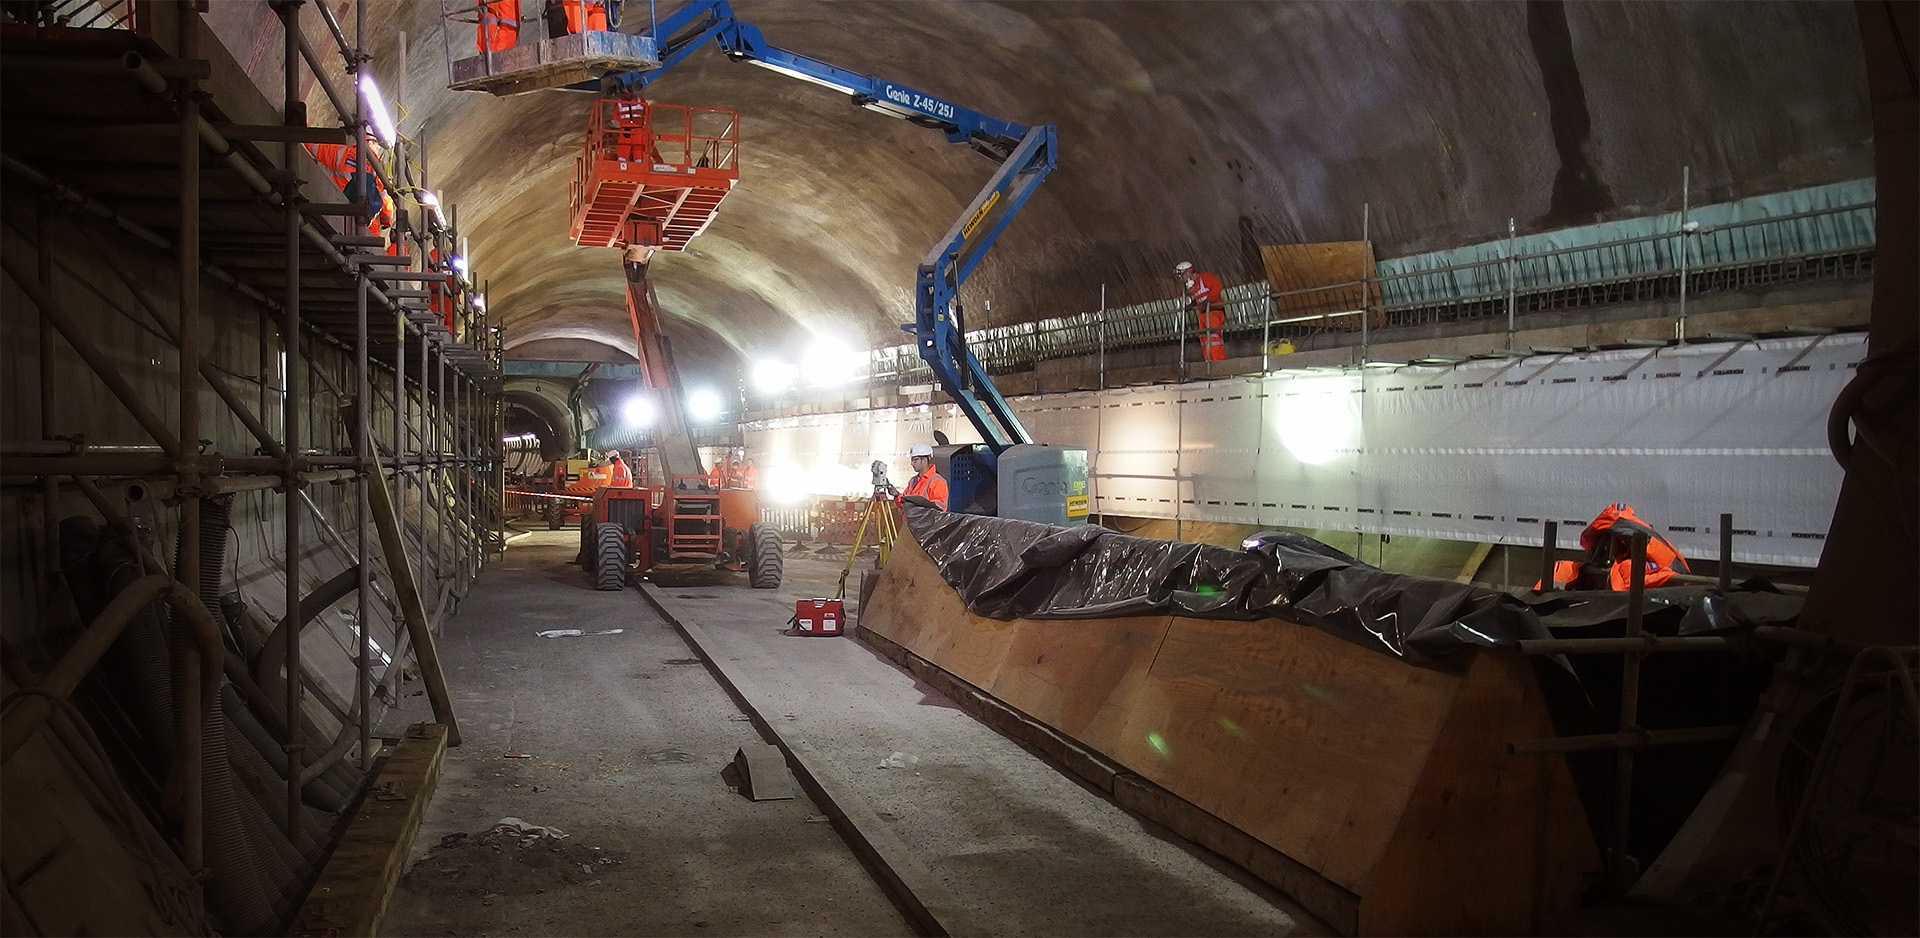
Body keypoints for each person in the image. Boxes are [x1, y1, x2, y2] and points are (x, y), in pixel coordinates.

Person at [1175, 260, 1227, 362]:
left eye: (1182, 275)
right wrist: (1193, 304)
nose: (1181, 279)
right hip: (1203, 313)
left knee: (1213, 338)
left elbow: (1217, 286)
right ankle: (1209, 361)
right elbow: (1199, 297)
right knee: (1204, 338)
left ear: (1188, 272)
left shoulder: (1204, 277)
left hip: (1213, 311)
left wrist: (1209, 300)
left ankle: (1219, 362)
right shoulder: (1193, 286)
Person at [898, 442, 949, 511]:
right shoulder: (913, 481)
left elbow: (939, 509)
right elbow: (904, 504)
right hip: (912, 521)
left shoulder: (937, 482)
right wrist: (897, 496)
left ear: (924, 460)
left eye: (915, 460)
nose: (912, 463)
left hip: (926, 521)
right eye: (912, 460)